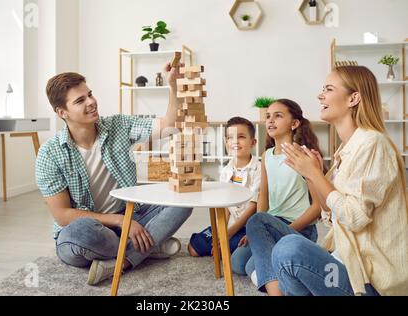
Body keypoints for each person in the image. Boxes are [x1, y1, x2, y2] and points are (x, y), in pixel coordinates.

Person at [35, 63, 193, 286]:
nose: (91, 102)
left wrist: (173, 86)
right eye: (80, 101)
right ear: (62, 112)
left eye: (89, 94)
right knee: (81, 234)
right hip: (92, 231)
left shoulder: (118, 125)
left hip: (131, 216)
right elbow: (62, 215)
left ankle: (123, 261)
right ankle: (149, 247)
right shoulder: (50, 153)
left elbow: (168, 126)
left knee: (182, 201)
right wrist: (121, 222)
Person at [275, 65, 408, 296]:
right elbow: (329, 213)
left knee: (289, 249)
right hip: (344, 261)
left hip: (368, 282)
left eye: (328, 88)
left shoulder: (373, 144)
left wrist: (316, 174)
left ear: (353, 98)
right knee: (275, 239)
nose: (320, 95)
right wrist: (311, 175)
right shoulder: (347, 148)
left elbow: (354, 218)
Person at [231, 99, 321, 296]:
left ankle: (295, 273)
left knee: (251, 268)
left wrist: (286, 230)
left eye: (278, 116)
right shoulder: (267, 156)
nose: (270, 121)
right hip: (270, 223)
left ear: (294, 123)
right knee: (237, 263)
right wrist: (255, 231)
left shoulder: (304, 156)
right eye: (268, 116)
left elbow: (317, 207)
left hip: (299, 228)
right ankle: (288, 271)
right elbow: (264, 195)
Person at [188, 117, 260, 257]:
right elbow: (225, 206)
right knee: (194, 249)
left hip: (248, 226)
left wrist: (228, 234)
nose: (235, 142)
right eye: (230, 138)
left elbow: (253, 207)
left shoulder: (259, 169)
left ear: (253, 142)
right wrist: (221, 231)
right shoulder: (226, 171)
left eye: (241, 137)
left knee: (223, 251)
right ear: (226, 142)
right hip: (230, 224)